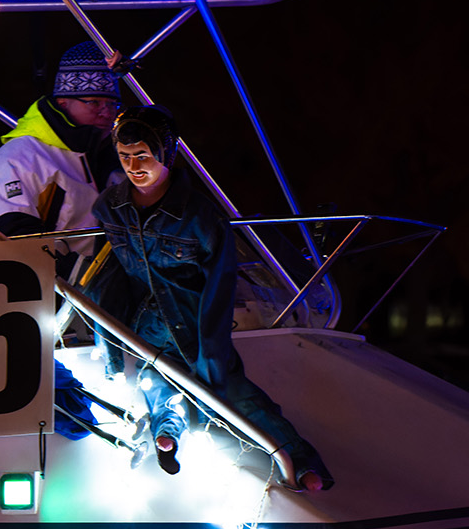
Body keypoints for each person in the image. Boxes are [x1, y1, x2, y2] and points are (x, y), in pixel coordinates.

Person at [92, 106, 333, 490]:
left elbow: (219, 287)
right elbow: (110, 277)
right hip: (147, 324)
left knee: (235, 395)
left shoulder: (202, 217)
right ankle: (167, 434)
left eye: (142, 155)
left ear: (166, 153)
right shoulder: (109, 207)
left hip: (194, 323)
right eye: (124, 156)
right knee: (158, 383)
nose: (133, 165)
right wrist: (108, 342)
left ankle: (299, 460)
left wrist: (212, 353)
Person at [0, 41, 124, 259]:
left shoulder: (117, 160)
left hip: (95, 287)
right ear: (63, 102)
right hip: (26, 285)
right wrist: (75, 274)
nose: (106, 113)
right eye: (94, 102)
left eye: (113, 104)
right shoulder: (20, 157)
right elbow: (13, 235)